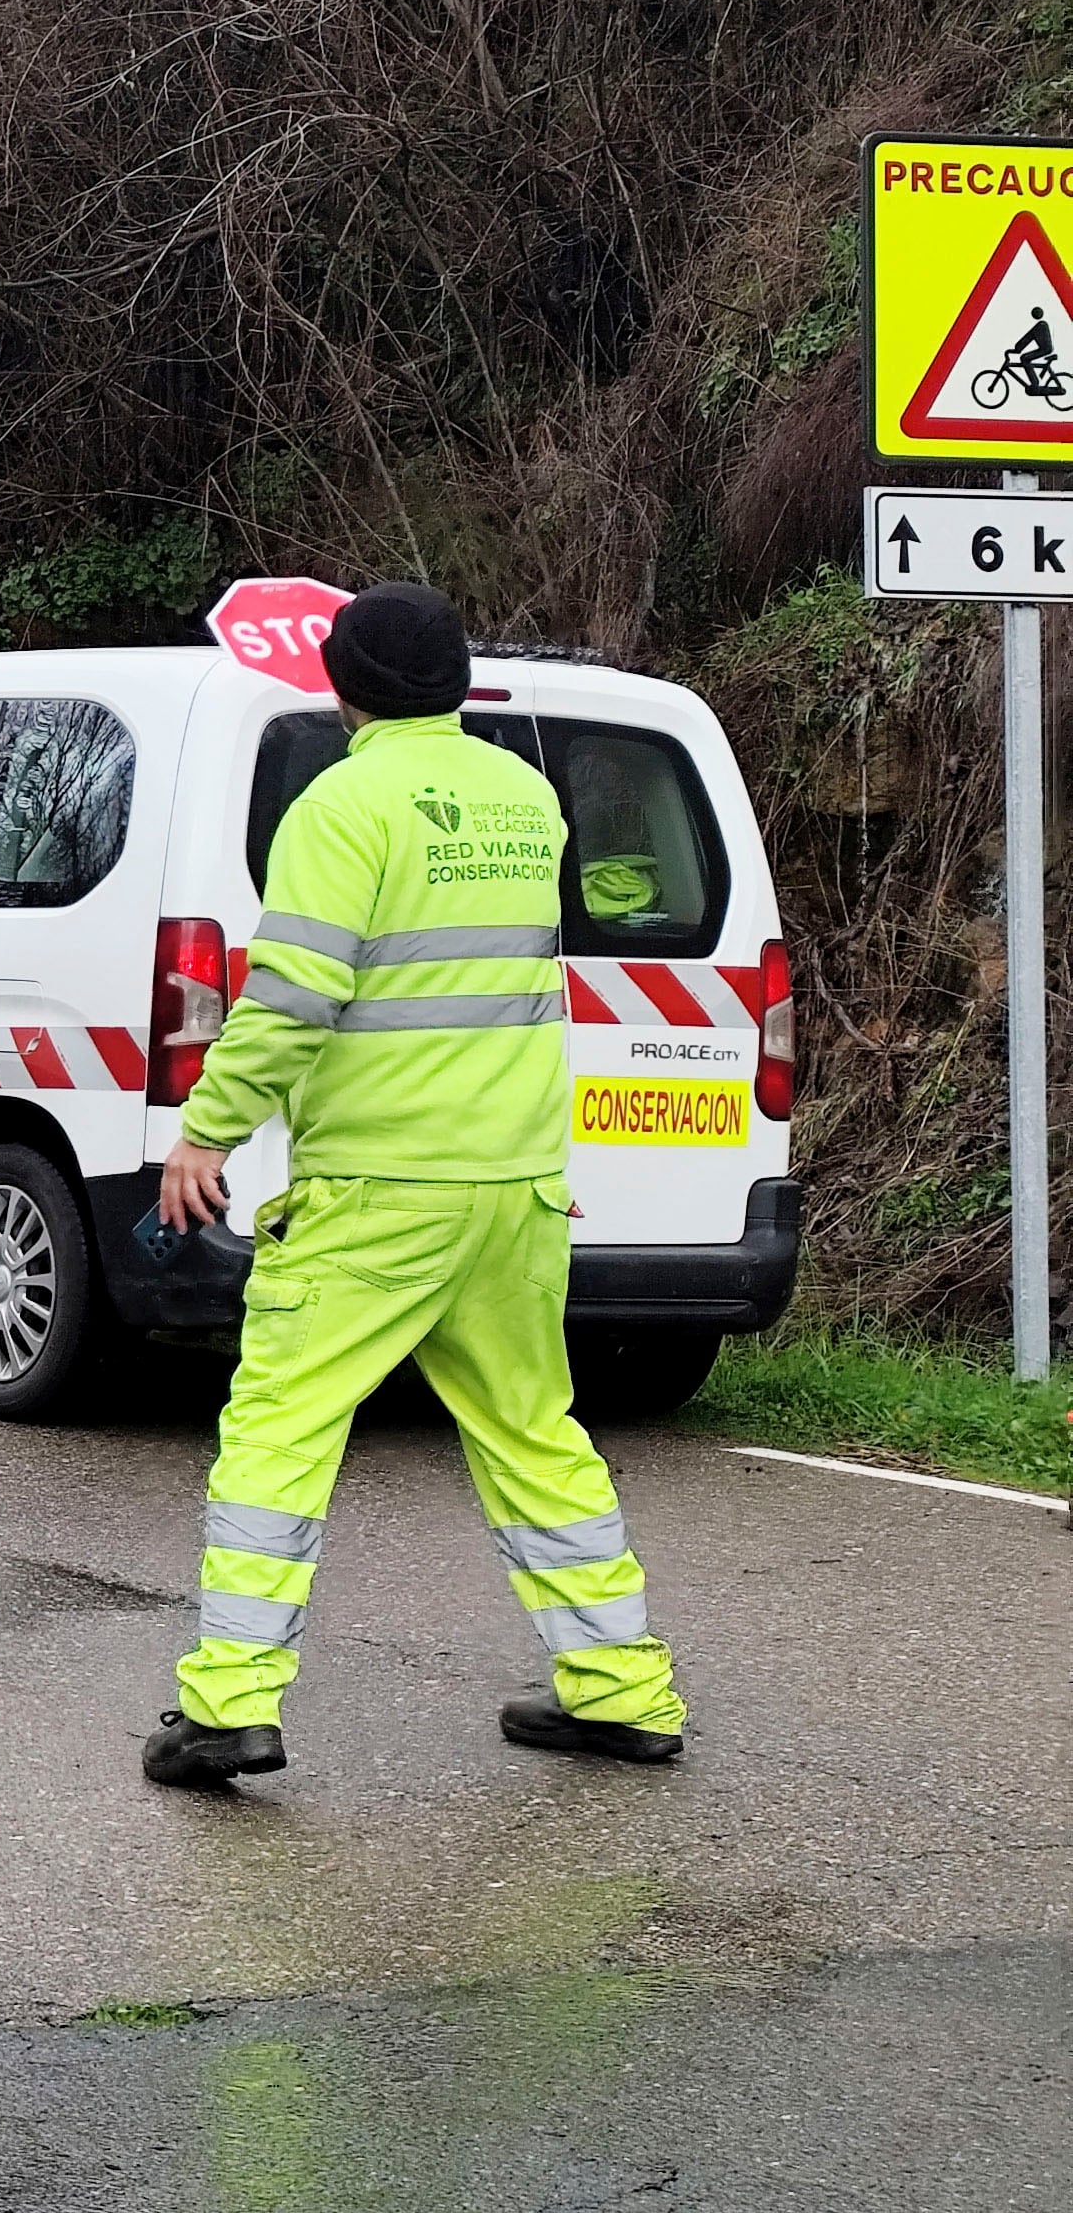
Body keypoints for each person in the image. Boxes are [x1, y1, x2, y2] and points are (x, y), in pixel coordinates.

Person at [141, 583, 685, 1790]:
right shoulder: (525, 796)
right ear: (455, 682)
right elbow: (517, 994)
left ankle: (229, 1703)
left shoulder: (340, 805)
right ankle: (621, 1688)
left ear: (344, 688)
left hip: (377, 1194)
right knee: (534, 1434)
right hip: (516, 1186)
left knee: (278, 1436)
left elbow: (291, 1000)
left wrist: (205, 1135)